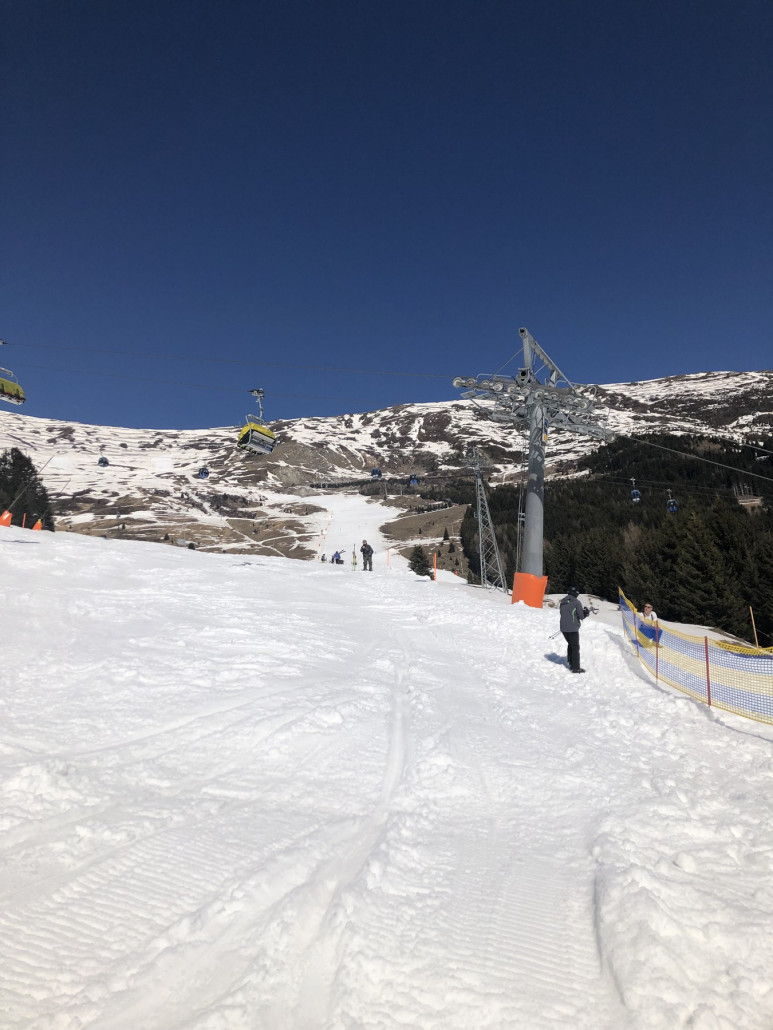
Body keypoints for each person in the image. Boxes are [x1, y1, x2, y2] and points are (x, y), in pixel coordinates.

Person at [559, 586, 589, 674]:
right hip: (572, 628)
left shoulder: (563, 601)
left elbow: (565, 613)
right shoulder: (576, 602)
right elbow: (581, 616)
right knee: (575, 647)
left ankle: (570, 662)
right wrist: (586, 613)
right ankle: (575, 667)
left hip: (563, 628)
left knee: (570, 644)